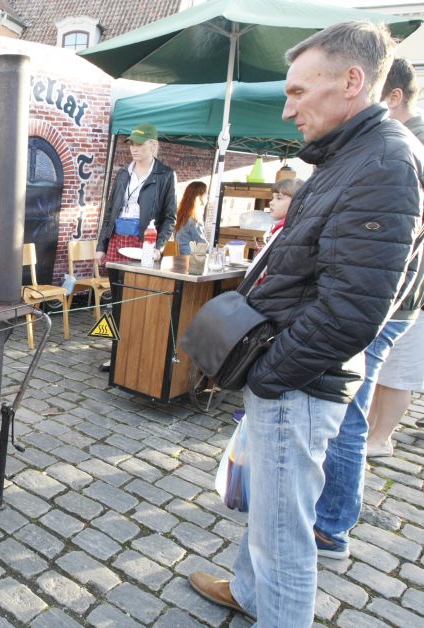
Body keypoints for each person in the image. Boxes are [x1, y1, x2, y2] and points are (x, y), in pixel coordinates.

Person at [188, 22, 422, 627]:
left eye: (297, 92)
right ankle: (247, 591)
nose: (288, 109)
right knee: (268, 512)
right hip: (293, 372)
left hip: (300, 382)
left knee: (285, 535)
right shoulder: (351, 153)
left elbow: (354, 311)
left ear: (351, 81)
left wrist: (269, 374)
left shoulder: (384, 162)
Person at [312, 55, 424, 562]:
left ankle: (331, 525)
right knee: (348, 415)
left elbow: (376, 261)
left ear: (389, 94)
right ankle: (330, 517)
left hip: (384, 308)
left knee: (347, 417)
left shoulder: (395, 155)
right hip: (393, 305)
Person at [363, 56, 424, 456]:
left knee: (398, 364)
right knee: (384, 363)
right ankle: (372, 433)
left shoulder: (409, 142)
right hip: (399, 279)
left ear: (394, 96)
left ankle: (380, 437)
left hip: (408, 279)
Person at [97, 123, 176, 264]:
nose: (134, 149)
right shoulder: (123, 173)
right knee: (115, 284)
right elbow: (109, 212)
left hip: (146, 241)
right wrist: (101, 247)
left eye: (139, 144)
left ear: (153, 145)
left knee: (136, 285)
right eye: (132, 144)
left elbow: (169, 218)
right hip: (117, 237)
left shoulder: (166, 175)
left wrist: (158, 247)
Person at [173, 181, 207, 254]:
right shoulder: (193, 219)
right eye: (206, 193)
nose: (207, 196)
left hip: (178, 256)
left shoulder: (181, 214)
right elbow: (202, 243)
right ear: (200, 196)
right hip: (188, 259)